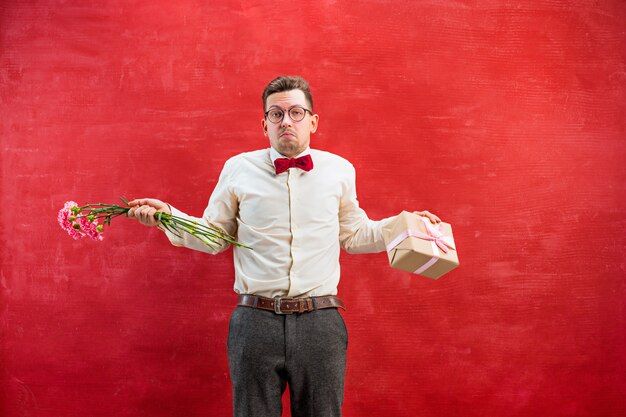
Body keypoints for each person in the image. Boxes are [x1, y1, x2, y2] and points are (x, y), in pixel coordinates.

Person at [127, 75, 441, 417]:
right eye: (276, 114)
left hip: (321, 322)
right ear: (265, 124)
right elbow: (216, 235)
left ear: (313, 121)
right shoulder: (238, 169)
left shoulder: (339, 170)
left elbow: (355, 234)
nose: (286, 121)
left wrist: (406, 225)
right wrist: (167, 217)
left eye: (295, 112)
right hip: (254, 321)